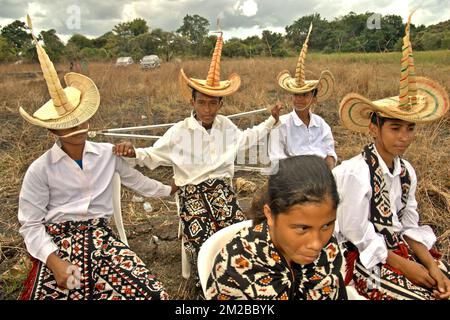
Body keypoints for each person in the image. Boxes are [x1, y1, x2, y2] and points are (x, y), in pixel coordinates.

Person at [18, 15, 175, 300]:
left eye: (79, 119)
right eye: (66, 123)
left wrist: (170, 189)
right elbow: (30, 224)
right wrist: (55, 264)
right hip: (58, 242)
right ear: (53, 127)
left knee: (153, 295)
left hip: (102, 240)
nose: (76, 127)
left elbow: (137, 181)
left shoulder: (107, 154)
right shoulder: (39, 170)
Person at [113, 30, 282, 287]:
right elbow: (153, 155)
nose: (207, 109)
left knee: (235, 231)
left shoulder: (226, 127)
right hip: (191, 191)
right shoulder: (179, 131)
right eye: (201, 103)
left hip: (222, 190)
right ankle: (211, 283)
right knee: (201, 236)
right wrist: (132, 151)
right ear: (192, 101)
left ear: (221, 104)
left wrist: (271, 121)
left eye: (213, 104)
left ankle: (240, 279)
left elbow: (248, 138)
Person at [333, 12, 450, 300]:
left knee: (442, 284)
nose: (404, 137)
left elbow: (408, 224)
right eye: (395, 128)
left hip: (397, 246)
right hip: (359, 253)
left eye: (410, 129)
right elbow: (356, 234)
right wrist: (406, 267)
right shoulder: (355, 173)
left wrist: (430, 264)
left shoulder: (406, 171)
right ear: (374, 127)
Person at [206, 155, 347, 300]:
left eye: (326, 225)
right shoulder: (236, 265)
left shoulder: (329, 250)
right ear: (271, 215)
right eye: (302, 228)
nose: (317, 244)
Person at [268, 24, 337, 169]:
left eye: (304, 95)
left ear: (314, 99)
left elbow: (330, 153)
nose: (299, 99)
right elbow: (277, 159)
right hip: (294, 177)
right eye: (296, 95)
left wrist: (327, 170)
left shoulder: (321, 124)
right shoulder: (282, 124)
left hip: (321, 174)